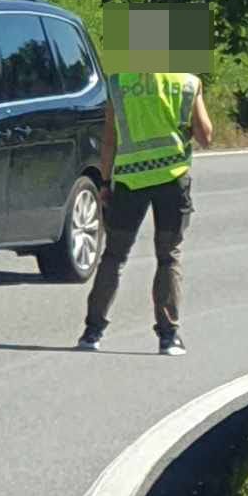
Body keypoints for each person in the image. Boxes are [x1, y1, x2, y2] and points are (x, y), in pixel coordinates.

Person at [78, 66, 213, 356]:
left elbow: (110, 139)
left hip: (129, 181)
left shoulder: (119, 82)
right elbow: (206, 136)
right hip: (172, 179)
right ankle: (169, 337)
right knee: (169, 256)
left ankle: (92, 332)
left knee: (114, 256)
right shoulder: (188, 81)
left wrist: (104, 181)